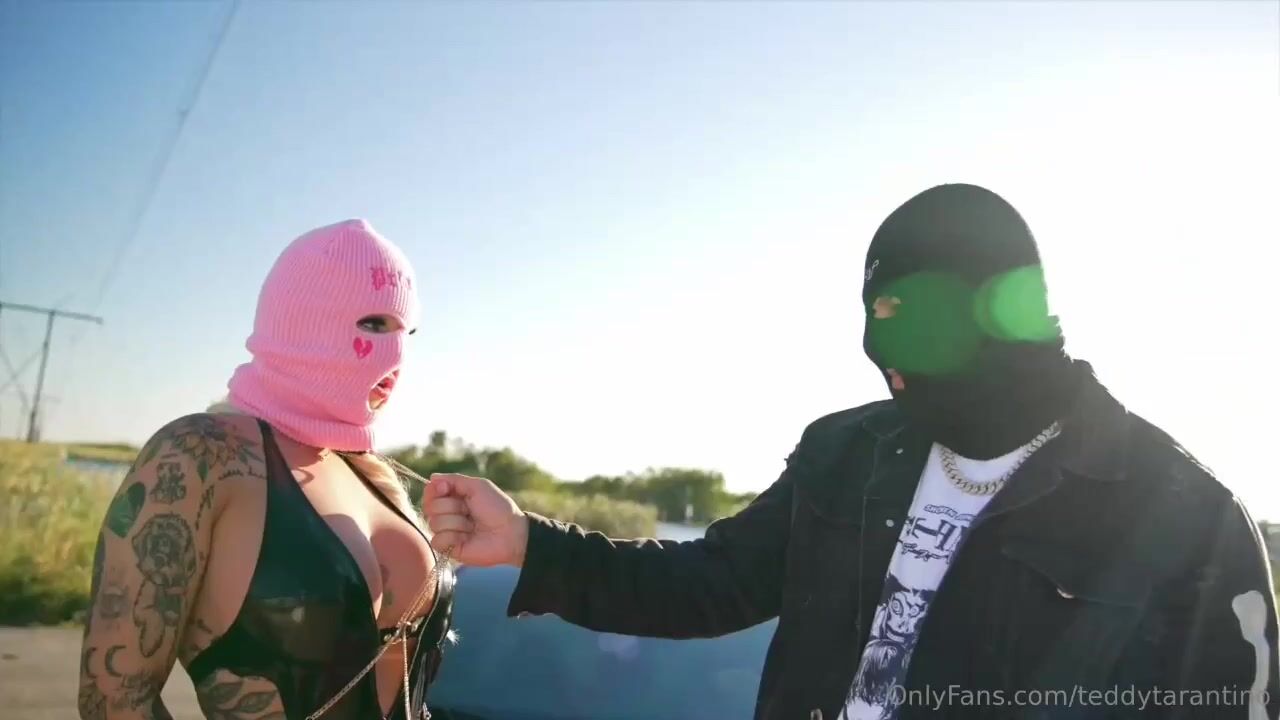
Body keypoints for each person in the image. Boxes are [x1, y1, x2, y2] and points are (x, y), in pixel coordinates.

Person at [423, 184, 1280, 720]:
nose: (882, 353)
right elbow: (708, 582)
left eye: (906, 317)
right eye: (872, 317)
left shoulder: (1184, 519)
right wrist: (531, 542)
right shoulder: (846, 451)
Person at [77, 219, 454, 720]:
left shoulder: (367, 473)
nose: (397, 352)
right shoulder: (203, 454)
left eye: (407, 331)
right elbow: (114, 699)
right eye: (373, 324)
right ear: (302, 321)